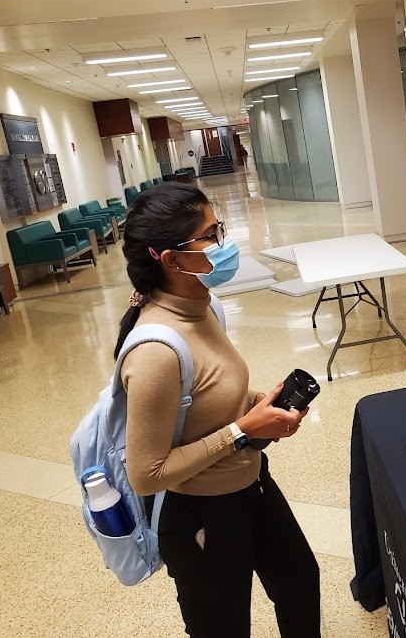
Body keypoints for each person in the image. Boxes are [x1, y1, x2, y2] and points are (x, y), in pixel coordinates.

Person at [116, 182, 321, 638]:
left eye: (219, 227)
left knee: (299, 582)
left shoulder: (204, 305)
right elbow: (146, 474)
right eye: (210, 235)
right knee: (224, 626)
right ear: (171, 260)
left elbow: (210, 402)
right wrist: (241, 430)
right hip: (198, 515)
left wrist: (257, 410)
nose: (223, 244)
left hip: (251, 483)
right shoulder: (155, 352)